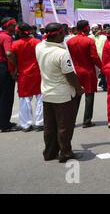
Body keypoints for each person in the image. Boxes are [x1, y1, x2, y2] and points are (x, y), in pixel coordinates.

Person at [35, 23, 85, 163]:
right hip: (62, 95)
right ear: (56, 35)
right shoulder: (61, 54)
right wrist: (79, 89)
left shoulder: (39, 47)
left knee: (49, 126)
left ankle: (50, 152)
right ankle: (65, 153)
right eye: (63, 33)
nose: (65, 35)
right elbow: (70, 76)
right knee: (65, 126)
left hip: (46, 92)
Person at [67, 20, 102, 128]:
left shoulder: (70, 41)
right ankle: (87, 121)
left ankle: (71, 121)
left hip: (76, 72)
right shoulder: (89, 41)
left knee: (76, 96)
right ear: (86, 29)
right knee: (89, 96)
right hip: (88, 72)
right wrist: (102, 67)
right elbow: (95, 57)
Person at [9, 24, 43, 132]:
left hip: (23, 74)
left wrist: (13, 70)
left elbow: (11, 58)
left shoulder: (15, 44)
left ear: (19, 32)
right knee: (40, 98)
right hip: (37, 73)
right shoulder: (37, 42)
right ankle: (40, 123)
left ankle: (26, 125)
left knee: (24, 99)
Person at [0, 17, 20, 132]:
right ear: (8, 26)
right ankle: (5, 124)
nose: (15, 27)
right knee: (6, 97)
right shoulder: (7, 37)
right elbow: (8, 53)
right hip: (4, 68)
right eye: (13, 25)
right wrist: (15, 66)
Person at [89, 24, 108, 91]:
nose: (96, 30)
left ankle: (105, 86)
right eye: (94, 28)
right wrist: (94, 35)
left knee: (104, 73)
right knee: (94, 74)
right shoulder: (90, 37)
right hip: (94, 59)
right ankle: (94, 87)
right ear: (91, 30)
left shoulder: (103, 37)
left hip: (103, 58)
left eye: (97, 28)